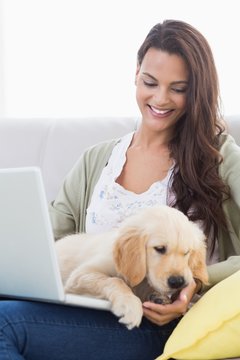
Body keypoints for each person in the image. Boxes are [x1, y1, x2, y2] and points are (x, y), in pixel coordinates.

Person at [0, 19, 240, 360]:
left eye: (178, 88)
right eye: (150, 82)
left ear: (196, 91)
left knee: (4, 325)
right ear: (136, 73)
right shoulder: (97, 159)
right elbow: (47, 241)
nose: (160, 98)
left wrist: (194, 283)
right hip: (89, 307)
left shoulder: (219, 156)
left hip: (159, 321)